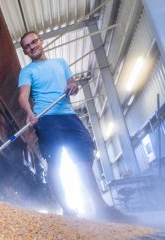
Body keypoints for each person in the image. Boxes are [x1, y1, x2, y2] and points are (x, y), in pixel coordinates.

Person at [17, 31, 130, 221]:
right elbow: (23, 96)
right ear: (25, 51)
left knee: (83, 159)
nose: (32, 47)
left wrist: (74, 87)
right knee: (55, 162)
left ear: (41, 41)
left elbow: (72, 83)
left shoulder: (60, 63)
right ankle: (67, 210)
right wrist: (30, 112)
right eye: (27, 46)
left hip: (69, 116)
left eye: (34, 42)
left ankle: (100, 206)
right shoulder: (27, 72)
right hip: (46, 118)